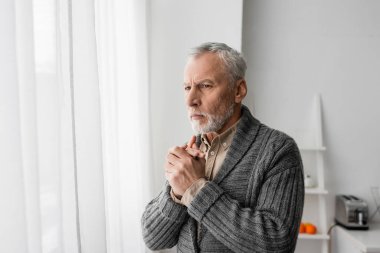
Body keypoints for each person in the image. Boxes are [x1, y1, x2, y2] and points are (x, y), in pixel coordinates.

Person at [141, 42, 304, 253]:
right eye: (187, 87)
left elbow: (277, 244)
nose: (190, 100)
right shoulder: (190, 154)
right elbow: (153, 239)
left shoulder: (278, 150)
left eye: (205, 85)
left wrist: (195, 189)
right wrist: (176, 194)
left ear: (238, 90)